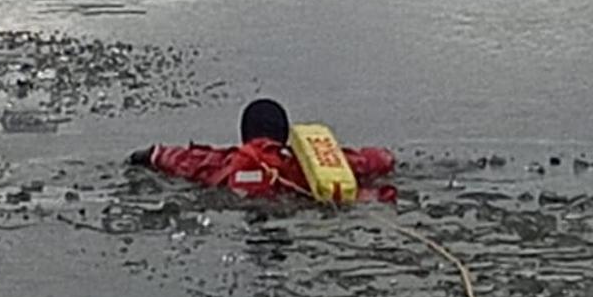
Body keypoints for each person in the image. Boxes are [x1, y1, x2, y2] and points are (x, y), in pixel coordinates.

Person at [127, 99, 396, 201]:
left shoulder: (225, 161)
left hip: (243, 207)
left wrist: (145, 156)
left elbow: (170, 158)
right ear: (285, 135)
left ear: (245, 134)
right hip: (304, 209)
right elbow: (380, 160)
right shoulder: (312, 166)